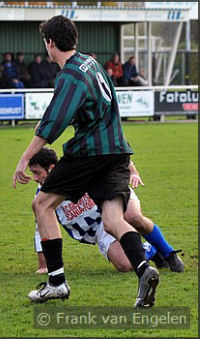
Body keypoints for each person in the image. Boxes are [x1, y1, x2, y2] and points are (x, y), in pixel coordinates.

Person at [12, 15, 160, 308]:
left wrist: (24, 159)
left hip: (90, 153)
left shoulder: (70, 76)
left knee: (41, 204)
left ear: (50, 43)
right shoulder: (92, 63)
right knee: (113, 220)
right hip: (116, 150)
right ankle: (145, 270)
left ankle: (56, 282)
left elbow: (53, 124)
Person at [28, 148, 184, 274]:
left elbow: (116, 154)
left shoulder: (76, 167)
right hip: (98, 229)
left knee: (133, 216)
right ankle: (152, 249)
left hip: (111, 194)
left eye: (37, 172)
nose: (34, 178)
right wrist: (44, 265)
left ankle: (168, 253)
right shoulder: (42, 199)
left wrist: (134, 172)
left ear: (51, 168)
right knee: (126, 265)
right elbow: (41, 229)